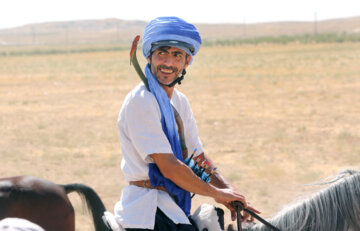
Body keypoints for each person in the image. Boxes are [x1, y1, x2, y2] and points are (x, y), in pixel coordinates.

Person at [114, 16, 259, 231]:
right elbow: (170, 167)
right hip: (146, 212)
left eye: (177, 55)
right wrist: (217, 194)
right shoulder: (141, 101)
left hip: (173, 207)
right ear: (150, 56)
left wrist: (232, 194)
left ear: (187, 61)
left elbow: (197, 159)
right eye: (162, 52)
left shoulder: (180, 102)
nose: (168, 62)